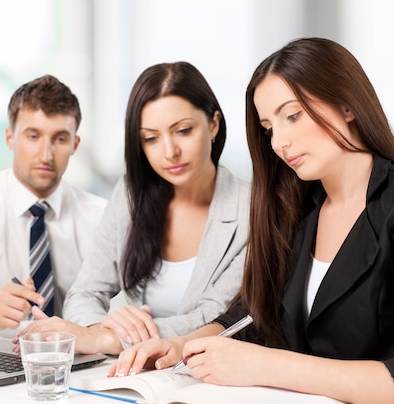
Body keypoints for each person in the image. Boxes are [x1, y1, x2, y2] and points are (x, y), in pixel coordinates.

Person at [111, 38, 394, 404]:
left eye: (292, 116)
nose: (279, 142)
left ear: (346, 104)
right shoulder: (296, 207)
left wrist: (267, 365)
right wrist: (181, 345)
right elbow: (251, 315)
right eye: (268, 127)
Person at [13, 61, 250, 355]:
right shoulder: (130, 197)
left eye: (183, 131)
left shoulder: (250, 211)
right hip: (136, 373)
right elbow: (86, 292)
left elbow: (215, 318)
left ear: (213, 124)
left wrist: (110, 339)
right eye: (151, 138)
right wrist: (102, 327)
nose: (169, 152)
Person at [0, 75, 107, 331]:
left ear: (74, 144)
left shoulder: (101, 218)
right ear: (10, 138)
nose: (45, 154)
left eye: (59, 139)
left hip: (76, 360)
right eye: (33, 136)